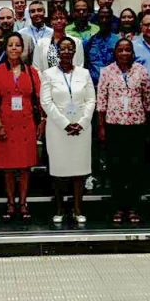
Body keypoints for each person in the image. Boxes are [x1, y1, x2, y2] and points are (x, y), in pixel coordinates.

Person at [40, 37, 95, 226]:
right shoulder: (48, 74)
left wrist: (82, 122)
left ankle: (78, 209)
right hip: (57, 129)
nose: (66, 51)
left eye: (69, 48)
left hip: (81, 128)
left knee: (79, 170)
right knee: (59, 170)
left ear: (74, 51)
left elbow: (91, 100)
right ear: (57, 52)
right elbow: (46, 102)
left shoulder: (84, 73)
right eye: (62, 48)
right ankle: (59, 209)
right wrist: (64, 123)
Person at [0, 33, 43, 222]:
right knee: (8, 168)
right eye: (10, 45)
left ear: (23, 49)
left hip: (26, 124)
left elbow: (38, 99)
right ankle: (11, 203)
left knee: (25, 167)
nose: (14, 48)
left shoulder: (31, 72)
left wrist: (41, 122)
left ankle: (24, 203)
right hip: (5, 123)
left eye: (17, 45)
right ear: (5, 48)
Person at [96, 39, 150, 225]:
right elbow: (101, 101)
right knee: (116, 169)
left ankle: (133, 207)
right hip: (114, 126)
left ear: (132, 52)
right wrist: (101, 127)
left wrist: (148, 127)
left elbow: (147, 100)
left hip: (137, 126)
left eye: (128, 50)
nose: (124, 53)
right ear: (115, 52)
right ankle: (118, 207)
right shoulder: (107, 71)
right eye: (120, 50)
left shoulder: (141, 71)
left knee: (135, 168)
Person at [85, 7, 118, 86]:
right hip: (93, 86)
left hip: (113, 85)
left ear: (111, 19)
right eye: (101, 17)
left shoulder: (118, 41)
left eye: (107, 17)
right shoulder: (90, 41)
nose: (104, 20)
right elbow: (86, 64)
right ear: (97, 20)